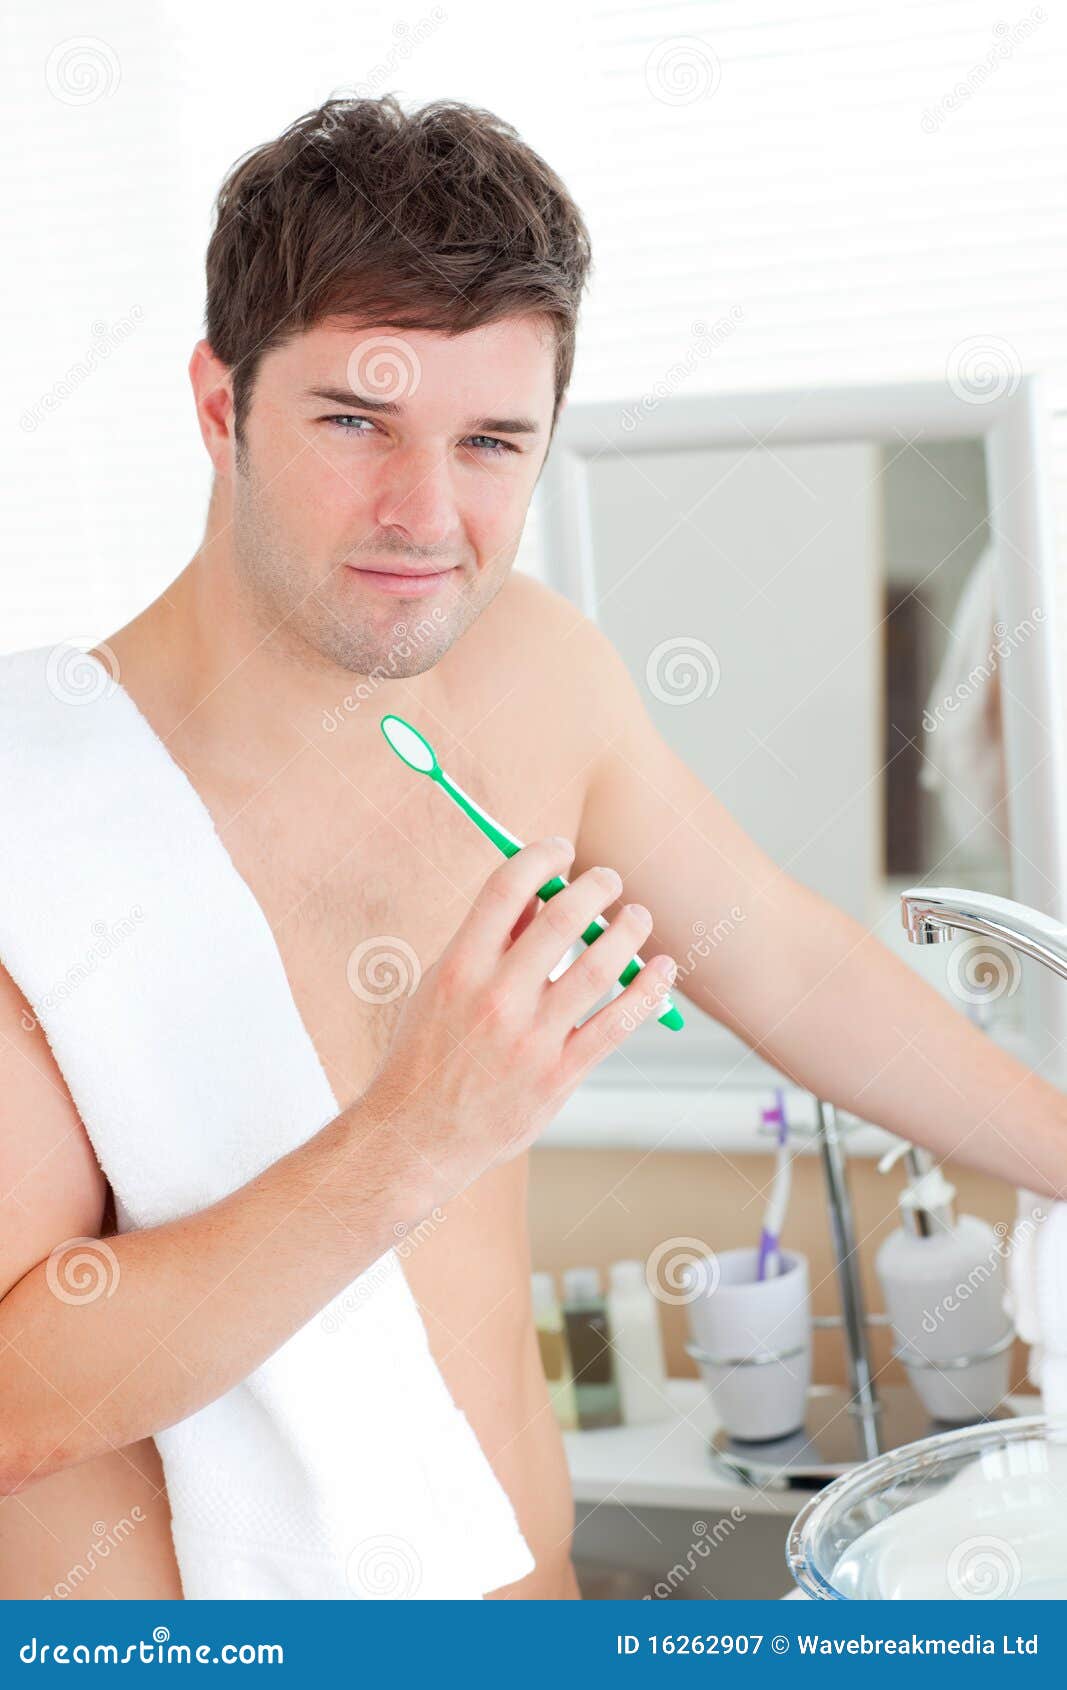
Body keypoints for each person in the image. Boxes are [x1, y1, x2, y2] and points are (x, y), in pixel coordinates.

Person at [2, 94, 1065, 1602]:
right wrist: (419, 1131)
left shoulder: (532, 672)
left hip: (524, 1611)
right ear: (217, 401)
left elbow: (781, 956)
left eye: (493, 439)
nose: (426, 515)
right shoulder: (35, 814)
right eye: (356, 421)